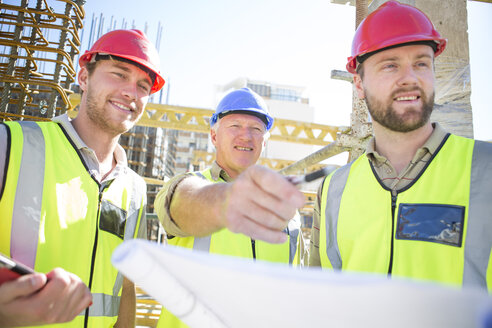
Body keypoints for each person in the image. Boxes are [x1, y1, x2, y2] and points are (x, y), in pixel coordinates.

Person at [309, 0, 492, 292]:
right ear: (359, 84)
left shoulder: (486, 170)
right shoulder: (334, 191)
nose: (410, 78)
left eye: (421, 63)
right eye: (390, 65)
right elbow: (316, 298)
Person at [0, 29, 165, 326]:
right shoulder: (10, 145)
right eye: (119, 74)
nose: (131, 92)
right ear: (84, 78)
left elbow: (125, 287)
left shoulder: (134, 189)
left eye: (143, 85)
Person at [154, 87, 305, 327]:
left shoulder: (287, 210)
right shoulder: (187, 187)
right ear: (214, 136)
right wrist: (228, 198)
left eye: (256, 129)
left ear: (264, 141)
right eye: (235, 126)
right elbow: (177, 204)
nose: (246, 136)